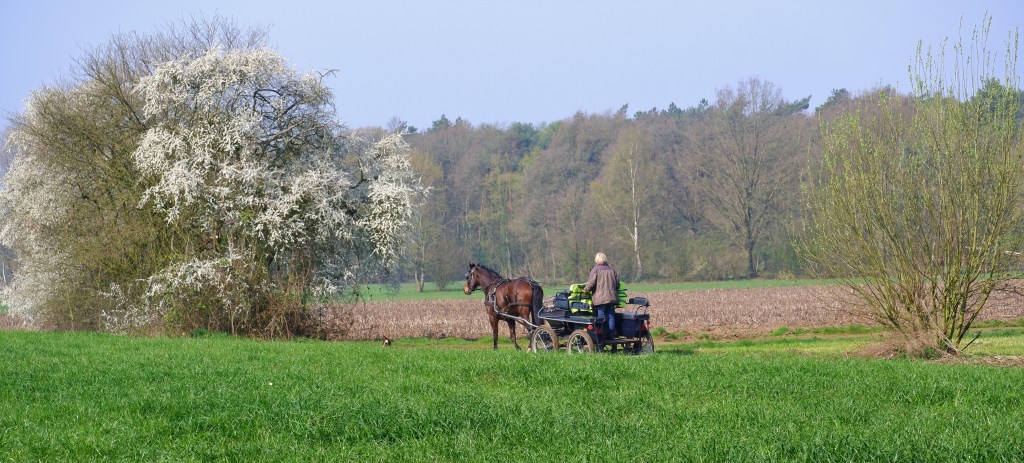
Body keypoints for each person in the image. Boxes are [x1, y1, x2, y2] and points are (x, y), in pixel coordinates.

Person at [584, 252, 619, 337]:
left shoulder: (595, 270)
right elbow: (617, 284)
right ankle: (611, 334)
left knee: (601, 316)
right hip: (612, 297)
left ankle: (602, 334)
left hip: (601, 298)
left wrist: (586, 290)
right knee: (611, 315)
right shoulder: (612, 269)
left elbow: (591, 283)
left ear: (597, 260)